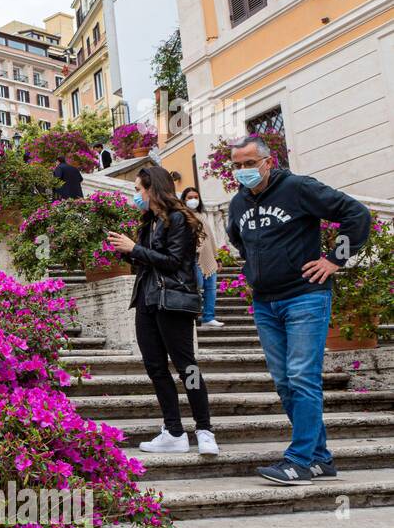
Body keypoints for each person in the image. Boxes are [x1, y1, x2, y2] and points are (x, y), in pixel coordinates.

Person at [226, 134, 371, 486]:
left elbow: (356, 214)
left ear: (267, 162)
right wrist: (255, 271)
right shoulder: (238, 203)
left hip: (304, 296)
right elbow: (238, 240)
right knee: (285, 382)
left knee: (302, 376)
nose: (243, 171)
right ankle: (320, 458)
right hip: (265, 302)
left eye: (249, 163)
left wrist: (334, 260)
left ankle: (299, 460)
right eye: (237, 166)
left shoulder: (298, 188)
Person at [106, 166, 219, 456]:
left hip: (174, 301)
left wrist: (135, 249)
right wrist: (127, 251)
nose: (136, 196)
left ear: (152, 189)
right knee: (156, 368)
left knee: (187, 367)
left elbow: (172, 261)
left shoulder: (178, 219)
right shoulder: (149, 223)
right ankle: (174, 432)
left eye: (137, 190)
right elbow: (146, 263)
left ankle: (204, 430)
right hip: (147, 301)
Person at [181, 186, 223, 328]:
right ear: (184, 200)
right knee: (196, 287)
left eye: (196, 197)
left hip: (209, 257)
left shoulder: (202, 216)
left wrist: (217, 258)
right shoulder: (182, 217)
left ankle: (208, 317)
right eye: (190, 198)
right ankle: (194, 316)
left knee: (211, 288)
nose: (193, 200)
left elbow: (210, 239)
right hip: (194, 259)